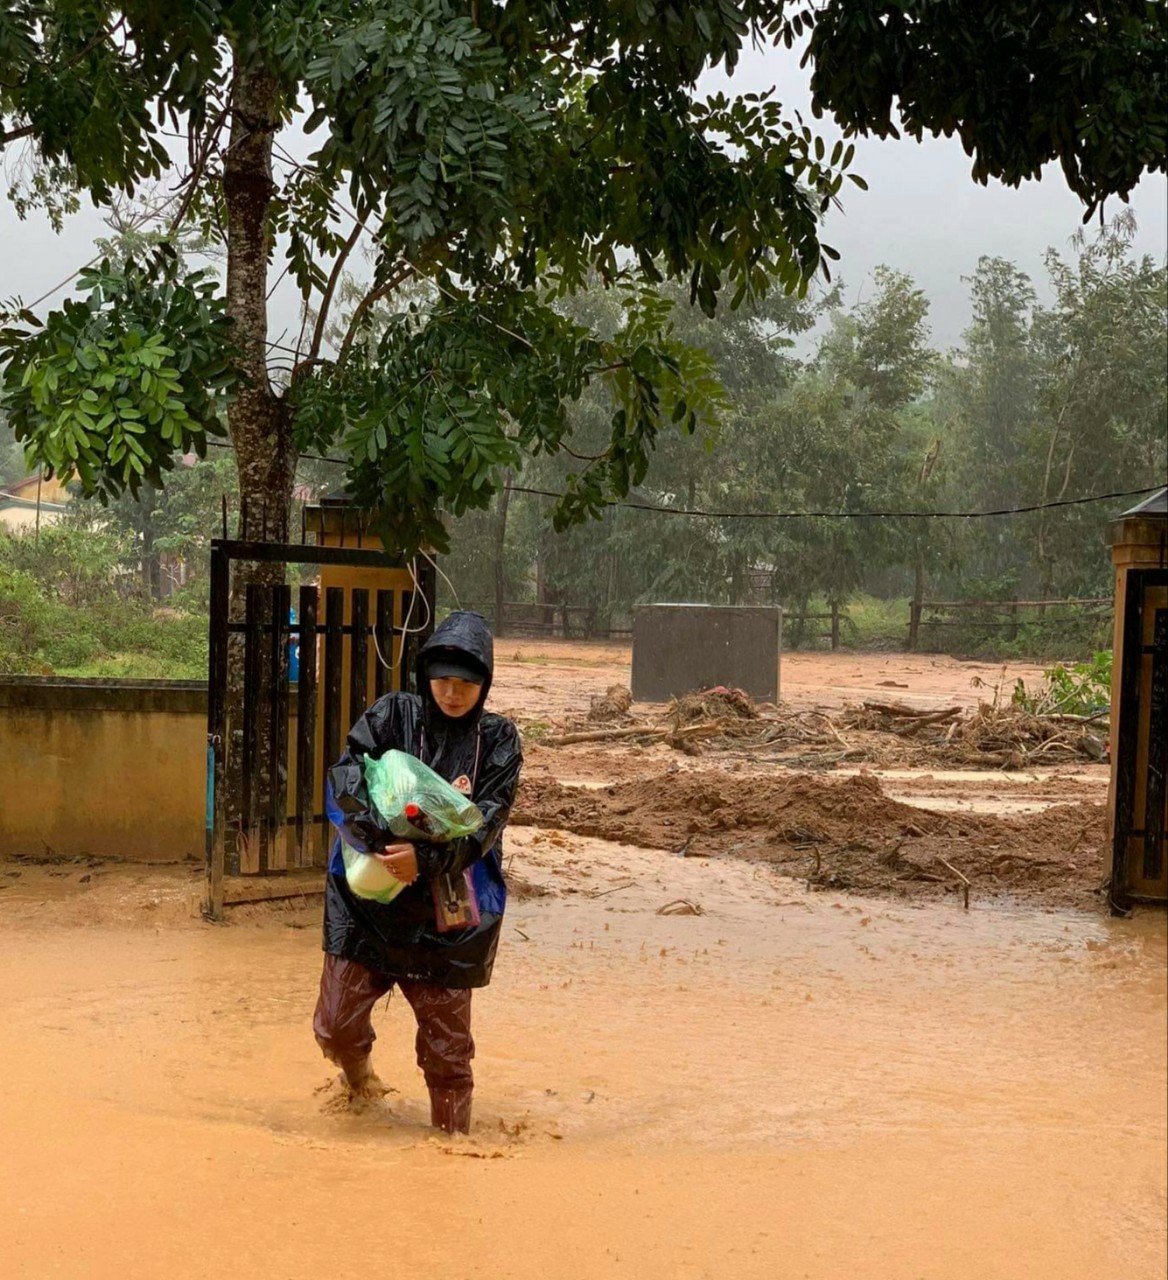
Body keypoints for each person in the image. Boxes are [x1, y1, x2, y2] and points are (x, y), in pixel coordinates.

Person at [313, 610, 523, 1134]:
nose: (452, 694)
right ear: (425, 675)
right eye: (443, 681)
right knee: (337, 1026)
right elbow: (346, 776)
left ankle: (452, 1150)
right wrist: (379, 843)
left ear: (485, 684)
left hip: (447, 919)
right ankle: (359, 1083)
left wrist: (425, 860)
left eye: (465, 684)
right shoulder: (392, 716)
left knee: (449, 1054)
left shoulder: (498, 742)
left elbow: (487, 823)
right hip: (369, 904)